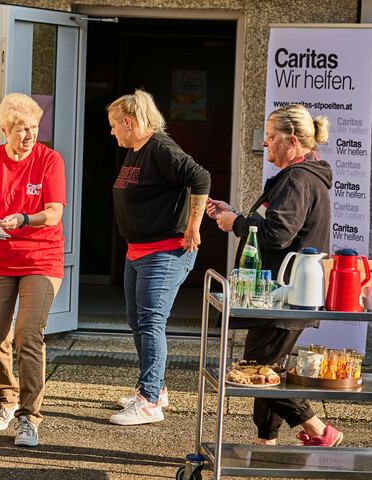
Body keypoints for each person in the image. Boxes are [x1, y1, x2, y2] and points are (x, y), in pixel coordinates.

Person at [206, 104, 337, 446]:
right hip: (284, 294)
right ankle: (266, 439)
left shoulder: (298, 179)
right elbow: (272, 225)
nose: (265, 143)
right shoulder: (298, 176)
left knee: (257, 368)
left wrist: (235, 223)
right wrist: (235, 214)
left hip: (286, 295)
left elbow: (277, 233)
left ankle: (320, 431)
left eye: (270, 136)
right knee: (266, 366)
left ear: (291, 141)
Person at [105, 90, 210, 426]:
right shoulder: (137, 150)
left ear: (129, 122)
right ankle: (155, 388)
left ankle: (150, 401)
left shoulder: (161, 147)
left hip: (164, 252)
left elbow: (200, 177)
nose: (111, 133)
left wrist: (193, 226)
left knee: (151, 322)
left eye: (113, 126)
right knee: (138, 321)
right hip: (138, 251)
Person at [0, 92, 66, 447]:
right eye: (22, 128)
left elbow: (54, 212)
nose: (30, 135)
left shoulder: (49, 161)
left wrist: (25, 218)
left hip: (42, 258)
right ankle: (4, 401)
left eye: (35, 127)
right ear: (4, 130)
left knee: (28, 335)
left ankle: (29, 417)